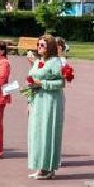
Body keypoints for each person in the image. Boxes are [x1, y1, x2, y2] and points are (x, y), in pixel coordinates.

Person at [25, 34, 67, 179]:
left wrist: (42, 83)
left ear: (50, 47)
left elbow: (61, 83)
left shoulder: (55, 62)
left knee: (47, 131)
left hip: (50, 101)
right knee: (36, 132)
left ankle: (48, 168)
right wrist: (30, 89)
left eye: (42, 45)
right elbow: (32, 76)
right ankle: (40, 166)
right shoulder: (38, 61)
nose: (39, 47)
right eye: (38, 44)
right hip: (37, 100)